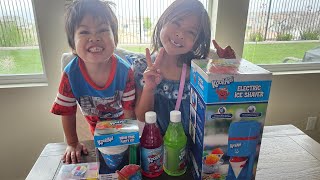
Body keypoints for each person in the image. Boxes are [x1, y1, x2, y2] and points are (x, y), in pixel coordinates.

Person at [51, 0, 135, 164]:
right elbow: (66, 111)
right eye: (84, 32)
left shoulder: (126, 72)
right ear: (73, 44)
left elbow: (129, 112)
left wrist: (127, 141)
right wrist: (73, 143)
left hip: (121, 129)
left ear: (115, 39)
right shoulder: (70, 75)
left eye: (103, 30)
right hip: (96, 133)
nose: (94, 38)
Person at [131, 0, 211, 136]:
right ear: (163, 21)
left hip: (187, 152)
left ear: (197, 41)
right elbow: (141, 117)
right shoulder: (142, 67)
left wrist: (228, 63)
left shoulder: (198, 73)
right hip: (154, 150)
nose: (180, 34)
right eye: (176, 23)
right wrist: (149, 87)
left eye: (191, 32)